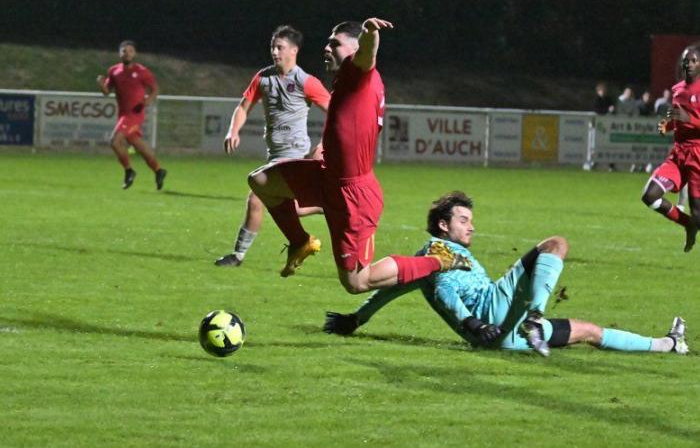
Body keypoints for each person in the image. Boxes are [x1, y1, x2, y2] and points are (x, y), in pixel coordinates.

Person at [248, 18, 470, 293]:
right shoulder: (350, 78)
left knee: (356, 282)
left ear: (353, 49)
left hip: (352, 195)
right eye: (328, 42)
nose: (327, 48)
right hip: (326, 173)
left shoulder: (358, 71)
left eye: (335, 43)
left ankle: (438, 261)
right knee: (260, 182)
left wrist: (369, 34)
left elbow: (367, 55)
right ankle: (299, 241)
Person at [324, 191, 689, 357]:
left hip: (499, 336)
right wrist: (470, 322)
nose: (471, 228)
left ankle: (669, 344)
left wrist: (357, 319)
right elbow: (446, 291)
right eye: (463, 221)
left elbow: (390, 290)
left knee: (589, 332)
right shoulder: (440, 252)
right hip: (492, 314)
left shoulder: (425, 263)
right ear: (442, 225)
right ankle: (535, 315)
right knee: (556, 244)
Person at [215, 25, 331, 267]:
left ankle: (237, 256)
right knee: (286, 206)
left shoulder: (306, 82)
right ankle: (324, 206)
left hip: (295, 154)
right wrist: (233, 130)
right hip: (276, 154)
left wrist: (325, 143)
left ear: (294, 50)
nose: (275, 52)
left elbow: (335, 112)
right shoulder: (263, 78)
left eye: (280, 47)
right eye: (272, 47)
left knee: (257, 197)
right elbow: (243, 106)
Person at [642, 46, 700, 252]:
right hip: (678, 153)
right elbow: (677, 119)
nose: (689, 64)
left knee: (698, 214)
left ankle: (694, 222)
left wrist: (688, 119)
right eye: (686, 60)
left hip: (698, 156)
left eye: (693, 60)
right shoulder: (677, 89)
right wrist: (668, 125)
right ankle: (687, 223)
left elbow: (688, 120)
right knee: (649, 196)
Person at [97, 40, 166, 190]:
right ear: (119, 53)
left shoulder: (142, 71)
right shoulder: (113, 71)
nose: (126, 53)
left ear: (134, 53)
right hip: (123, 114)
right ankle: (159, 170)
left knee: (115, 141)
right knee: (140, 147)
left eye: (129, 51)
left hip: (135, 113)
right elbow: (107, 92)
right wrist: (102, 85)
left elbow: (155, 89)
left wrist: (148, 100)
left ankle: (129, 171)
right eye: (123, 51)